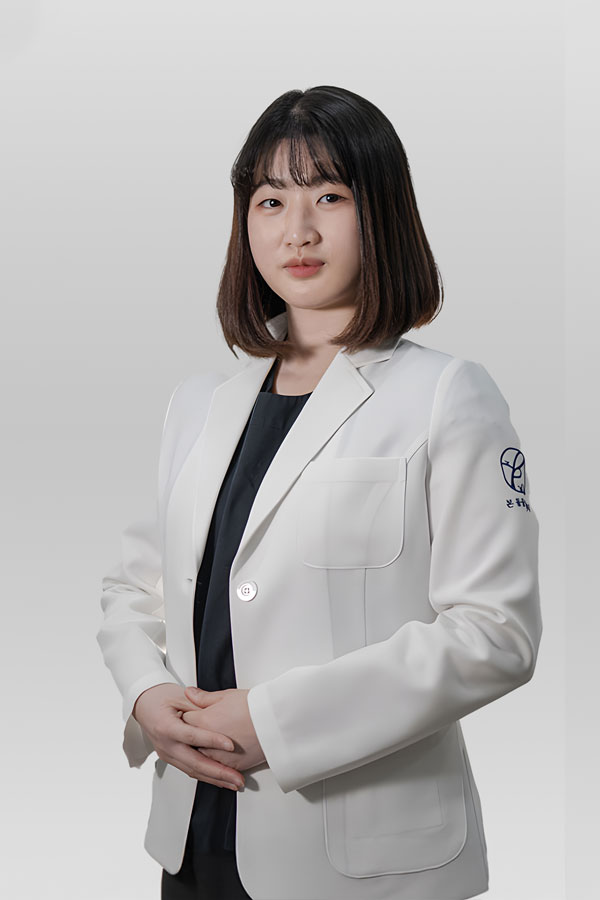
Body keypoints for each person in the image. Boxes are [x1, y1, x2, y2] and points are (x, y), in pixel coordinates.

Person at [97, 85, 542, 900]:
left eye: (329, 197)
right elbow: (135, 589)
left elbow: (495, 633)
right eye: (270, 201)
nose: (296, 231)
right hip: (194, 840)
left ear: (382, 212)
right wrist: (147, 693)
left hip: (367, 865)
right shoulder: (198, 404)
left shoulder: (448, 396)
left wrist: (275, 723)